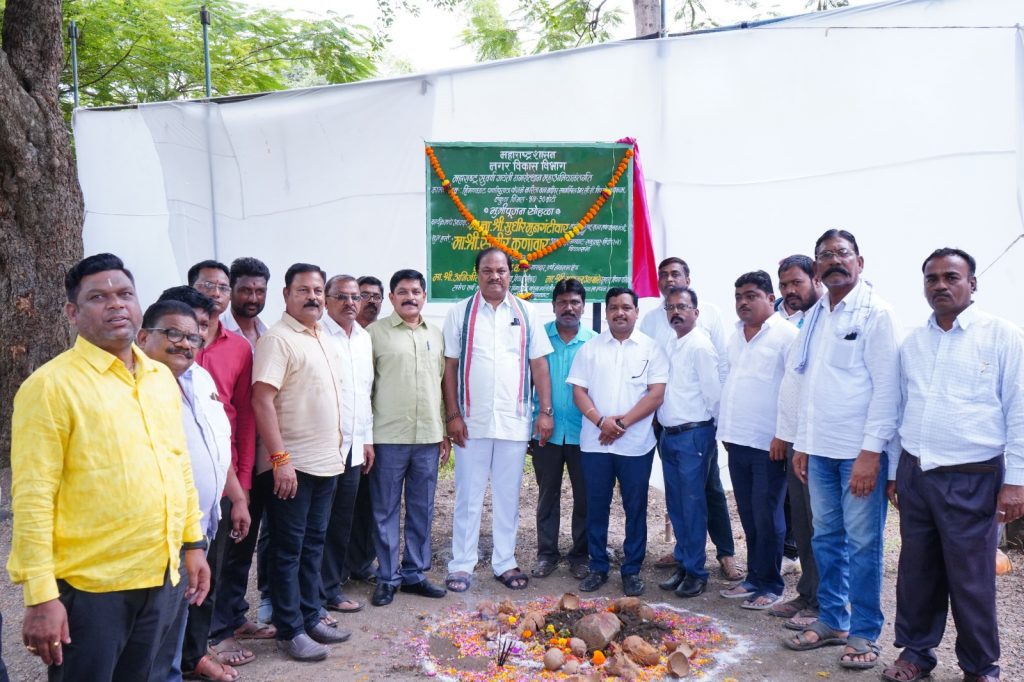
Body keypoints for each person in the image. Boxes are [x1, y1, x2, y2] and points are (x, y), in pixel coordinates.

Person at [7, 253, 210, 681]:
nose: (116, 304)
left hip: (162, 574)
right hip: (92, 590)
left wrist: (193, 544)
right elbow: (33, 496)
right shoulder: (50, 387)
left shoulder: (159, 377)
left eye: (125, 294)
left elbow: (178, 465)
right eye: (98, 297)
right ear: (72, 313)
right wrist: (41, 596)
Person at [881, 248, 1024, 682]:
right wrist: (895, 471)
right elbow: (899, 409)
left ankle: (980, 667)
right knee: (917, 570)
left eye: (951, 277)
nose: (940, 285)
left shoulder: (1002, 336)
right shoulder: (913, 343)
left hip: (973, 477)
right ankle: (916, 653)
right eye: (932, 278)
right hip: (917, 474)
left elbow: (1019, 411)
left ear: (972, 284)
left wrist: (1017, 482)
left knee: (971, 578)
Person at [784, 229, 901, 671]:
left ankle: (865, 630)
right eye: (825, 255)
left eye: (842, 253)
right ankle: (833, 619)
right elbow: (810, 384)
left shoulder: (877, 313)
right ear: (817, 267)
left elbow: (888, 389)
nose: (834, 260)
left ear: (860, 262)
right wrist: (803, 444)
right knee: (825, 538)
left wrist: (871, 454)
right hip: (819, 450)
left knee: (863, 544)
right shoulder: (817, 315)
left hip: (858, 453)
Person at [137, 300, 251, 682]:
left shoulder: (200, 378)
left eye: (194, 334)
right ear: (144, 336)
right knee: (152, 633)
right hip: (158, 534)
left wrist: (237, 496)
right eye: (175, 333)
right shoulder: (135, 388)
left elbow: (215, 445)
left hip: (202, 521)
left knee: (187, 608)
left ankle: (186, 662)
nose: (187, 342)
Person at [251, 263, 351, 661]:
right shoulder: (278, 339)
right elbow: (261, 399)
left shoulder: (321, 335)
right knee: (287, 550)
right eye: (303, 290)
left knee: (313, 546)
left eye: (317, 290)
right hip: (292, 467)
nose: (312, 297)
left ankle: (311, 616)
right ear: (286, 295)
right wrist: (280, 459)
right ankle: (289, 629)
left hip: (326, 463)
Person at [442, 248, 554, 593]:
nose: (495, 276)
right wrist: (453, 415)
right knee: (468, 495)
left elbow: (539, 365)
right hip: (470, 421)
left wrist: (545, 411)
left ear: (510, 274)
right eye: (488, 270)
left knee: (508, 496)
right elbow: (450, 367)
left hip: (513, 420)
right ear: (476, 274)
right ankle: (462, 563)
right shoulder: (460, 312)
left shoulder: (527, 312)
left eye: (501, 270)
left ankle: (504, 561)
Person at [640, 256, 741, 581]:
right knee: (680, 499)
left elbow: (717, 375)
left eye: (676, 274)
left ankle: (716, 558)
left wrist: (717, 426)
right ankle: (686, 556)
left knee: (703, 495)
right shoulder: (657, 325)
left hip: (696, 430)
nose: (669, 279)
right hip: (667, 427)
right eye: (663, 275)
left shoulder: (706, 323)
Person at [568, 287, 668, 597]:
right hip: (596, 443)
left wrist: (621, 424)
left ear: (636, 312)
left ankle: (632, 569)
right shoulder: (591, 349)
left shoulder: (652, 349)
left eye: (626, 307)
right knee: (596, 506)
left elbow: (656, 394)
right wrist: (602, 422)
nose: (619, 313)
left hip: (635, 445)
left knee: (635, 508)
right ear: (607, 312)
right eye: (613, 307)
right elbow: (578, 391)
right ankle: (598, 566)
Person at [366, 269, 451, 605]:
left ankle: (415, 573)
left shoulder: (436, 334)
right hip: (388, 437)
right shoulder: (374, 334)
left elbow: (441, 384)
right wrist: (366, 438)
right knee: (385, 510)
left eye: (416, 291)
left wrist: (443, 432)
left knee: (422, 508)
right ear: (391, 297)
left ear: (424, 296)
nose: (410, 297)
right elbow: (366, 388)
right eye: (402, 291)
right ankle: (387, 577)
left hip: (428, 436)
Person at [717, 271, 797, 610]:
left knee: (768, 516)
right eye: (738, 297)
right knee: (749, 514)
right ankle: (753, 578)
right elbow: (730, 384)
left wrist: (783, 434)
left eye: (751, 296)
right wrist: (726, 430)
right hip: (738, 439)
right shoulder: (735, 336)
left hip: (769, 443)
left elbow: (794, 388)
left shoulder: (786, 335)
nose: (743, 303)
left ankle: (772, 585)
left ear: (770, 298)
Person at [655, 286, 721, 599]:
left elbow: (714, 396)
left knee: (693, 505)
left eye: (682, 307)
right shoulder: (672, 342)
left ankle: (696, 572)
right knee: (677, 504)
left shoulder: (700, 346)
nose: (676, 312)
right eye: (670, 308)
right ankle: (683, 562)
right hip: (669, 435)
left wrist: (713, 434)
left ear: (696, 312)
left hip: (694, 434)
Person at [530, 278, 596, 581]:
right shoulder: (539, 339)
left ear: (583, 306)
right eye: (563, 302)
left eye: (575, 302)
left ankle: (580, 556)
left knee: (585, 497)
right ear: (553, 305)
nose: (569, 308)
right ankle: (547, 554)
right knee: (547, 495)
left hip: (585, 433)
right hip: (547, 432)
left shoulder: (595, 342)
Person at [769, 255, 823, 627]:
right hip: (796, 440)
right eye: (784, 284)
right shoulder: (796, 322)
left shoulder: (827, 319)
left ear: (816, 279)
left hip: (821, 441)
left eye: (796, 283)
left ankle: (825, 604)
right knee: (802, 523)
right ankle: (808, 593)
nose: (789, 291)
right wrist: (785, 435)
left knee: (823, 527)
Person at [320, 275, 375, 612]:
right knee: (317, 525)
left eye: (355, 297)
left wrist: (367, 439)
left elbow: (363, 393)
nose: (350, 303)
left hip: (354, 447)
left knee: (342, 521)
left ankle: (330, 588)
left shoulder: (364, 338)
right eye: (341, 296)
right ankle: (309, 596)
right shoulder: (318, 334)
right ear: (326, 300)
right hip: (324, 447)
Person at [344, 274, 386, 586]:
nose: (370, 301)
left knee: (369, 502)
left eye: (376, 296)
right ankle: (339, 566)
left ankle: (362, 561)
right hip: (345, 434)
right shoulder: (340, 335)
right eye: (364, 295)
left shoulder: (378, 336)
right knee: (343, 503)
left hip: (376, 432)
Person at [222, 257, 270, 348]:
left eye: (259, 291)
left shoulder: (268, 333)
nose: (253, 299)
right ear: (230, 292)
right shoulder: (216, 332)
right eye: (245, 291)